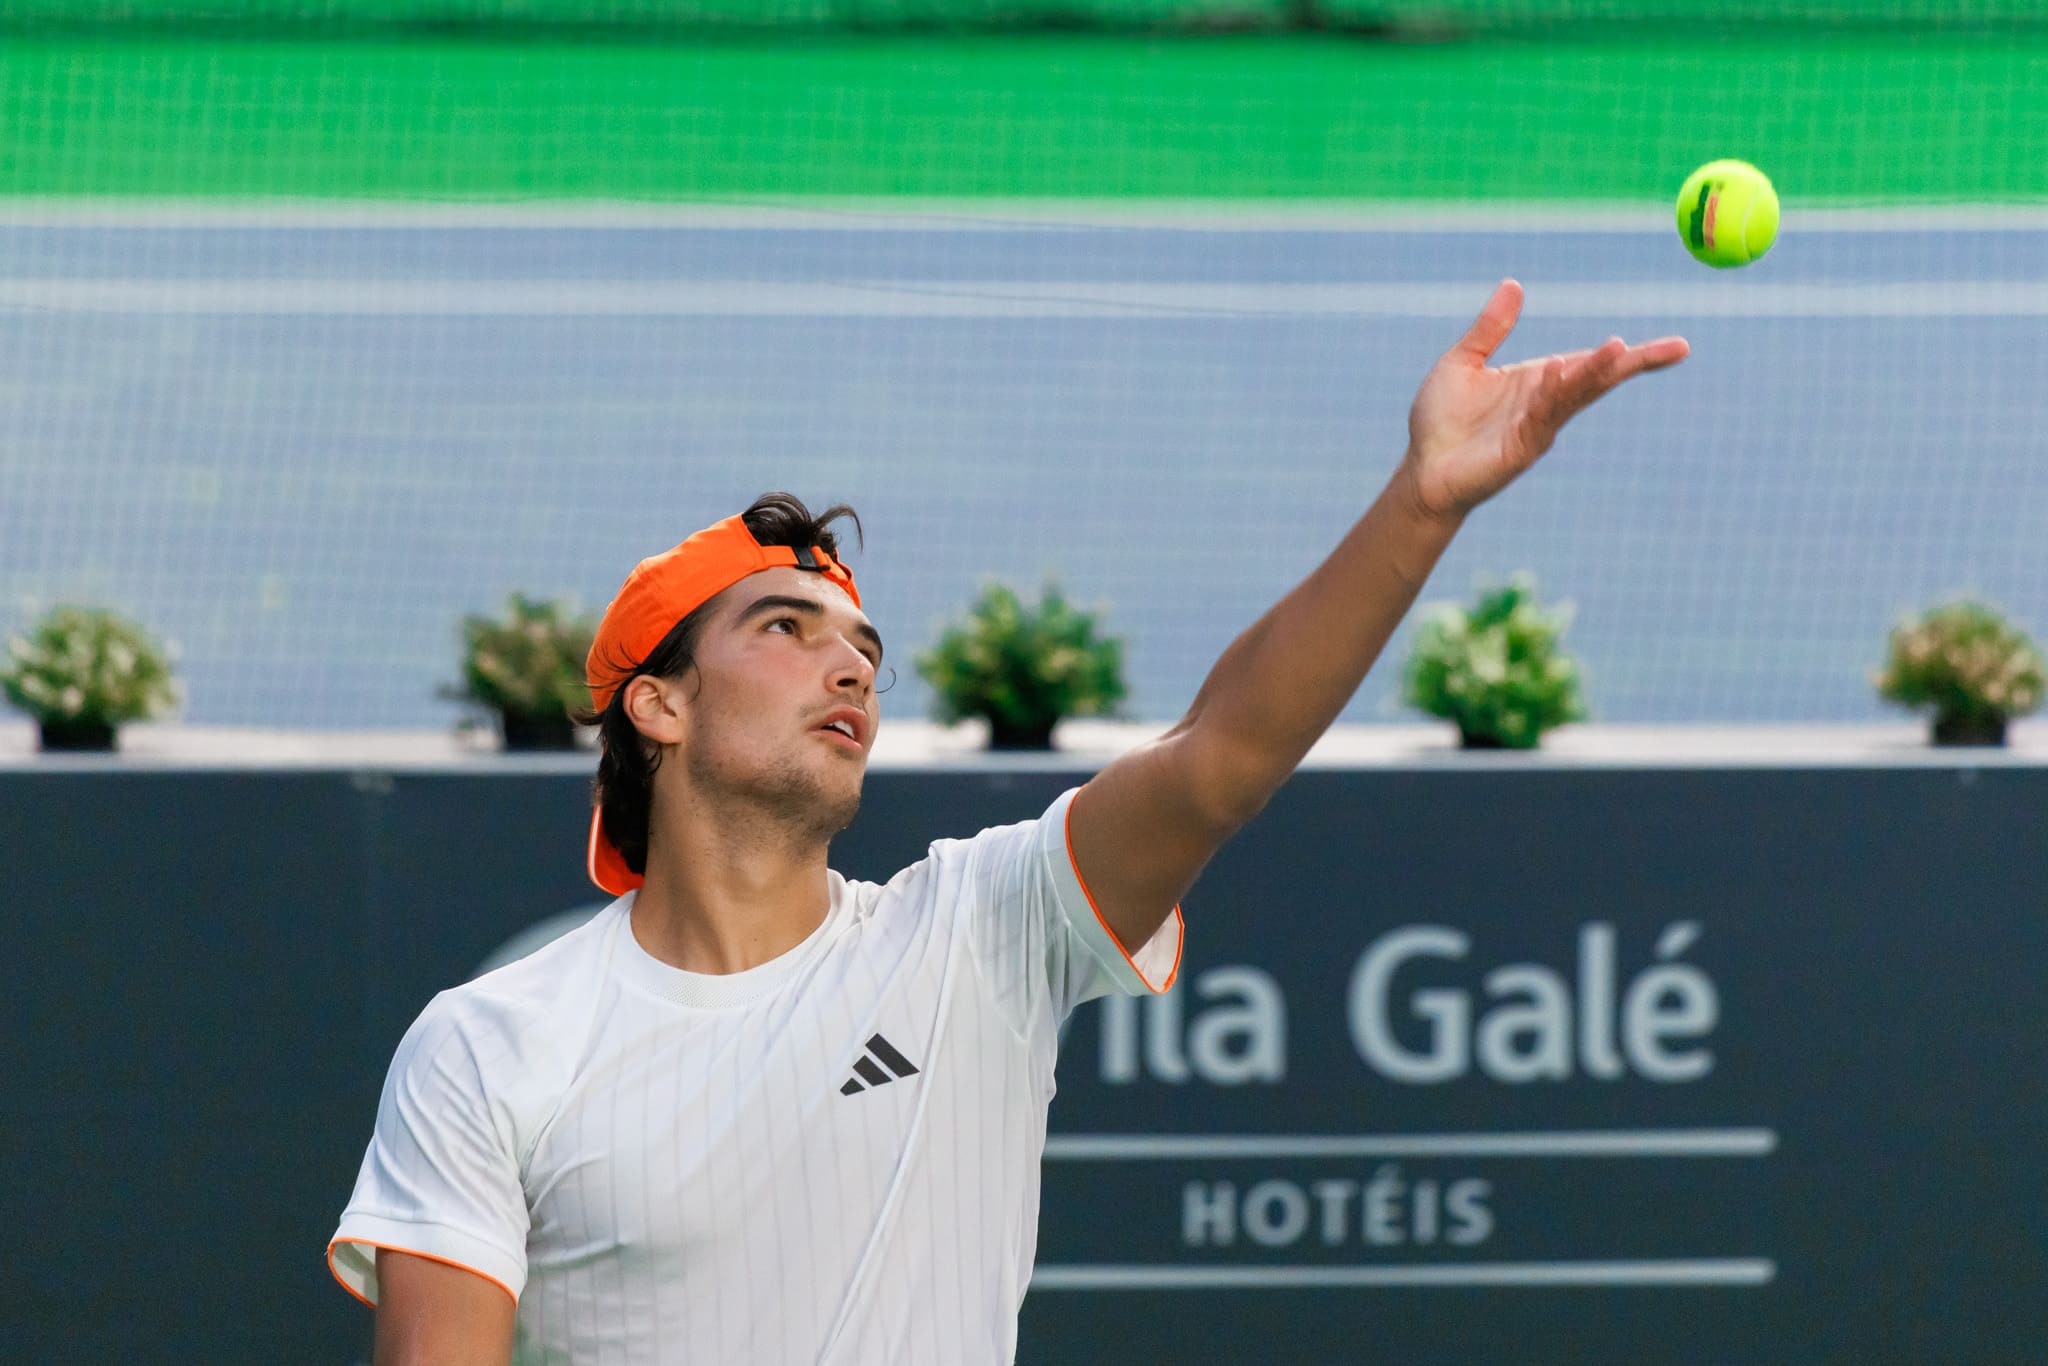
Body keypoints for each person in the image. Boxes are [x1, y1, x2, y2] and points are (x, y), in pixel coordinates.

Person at [327, 280, 1687, 1365]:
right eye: (786, 630)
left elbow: (1219, 760)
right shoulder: (489, 1046)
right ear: (659, 706)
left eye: (863, 644)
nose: (850, 664)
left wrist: (1422, 503)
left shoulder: (977, 929)